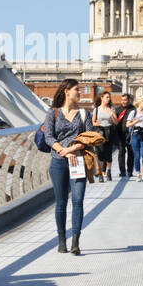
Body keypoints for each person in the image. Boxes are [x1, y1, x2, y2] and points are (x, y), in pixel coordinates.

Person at [43, 78, 93, 254]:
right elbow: (48, 137)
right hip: (58, 163)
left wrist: (72, 149)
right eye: (77, 90)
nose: (80, 92)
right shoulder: (53, 113)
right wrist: (63, 151)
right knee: (61, 202)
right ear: (66, 91)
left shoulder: (84, 113)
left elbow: (89, 137)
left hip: (78, 161)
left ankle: (76, 242)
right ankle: (61, 240)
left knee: (78, 201)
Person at [94, 90, 116, 182]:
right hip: (100, 131)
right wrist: (97, 124)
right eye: (107, 97)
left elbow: (116, 122)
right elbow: (93, 122)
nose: (108, 99)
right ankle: (101, 173)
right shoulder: (97, 109)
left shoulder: (111, 108)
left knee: (108, 153)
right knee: (100, 152)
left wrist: (112, 115)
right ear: (101, 98)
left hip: (109, 131)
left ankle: (109, 171)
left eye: (109, 97)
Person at [128, 96, 143, 181]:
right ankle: (138, 173)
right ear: (139, 103)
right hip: (135, 134)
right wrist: (134, 122)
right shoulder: (133, 112)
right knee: (137, 155)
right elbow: (128, 124)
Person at [112, 93, 134, 178]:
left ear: (129, 100)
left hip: (130, 134)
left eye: (125, 100)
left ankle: (130, 171)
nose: (123, 101)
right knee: (121, 152)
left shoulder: (133, 109)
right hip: (120, 134)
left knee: (131, 152)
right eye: (122, 100)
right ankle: (122, 171)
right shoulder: (117, 110)